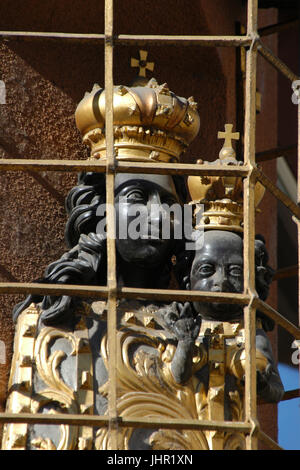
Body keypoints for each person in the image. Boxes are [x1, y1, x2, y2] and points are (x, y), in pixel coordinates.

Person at [161, 230, 284, 405]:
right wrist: (186, 342)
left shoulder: (253, 335)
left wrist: (262, 386)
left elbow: (276, 391)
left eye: (235, 271)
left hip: (235, 427)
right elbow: (177, 377)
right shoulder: (183, 327)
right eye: (207, 270)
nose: (222, 280)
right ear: (187, 281)